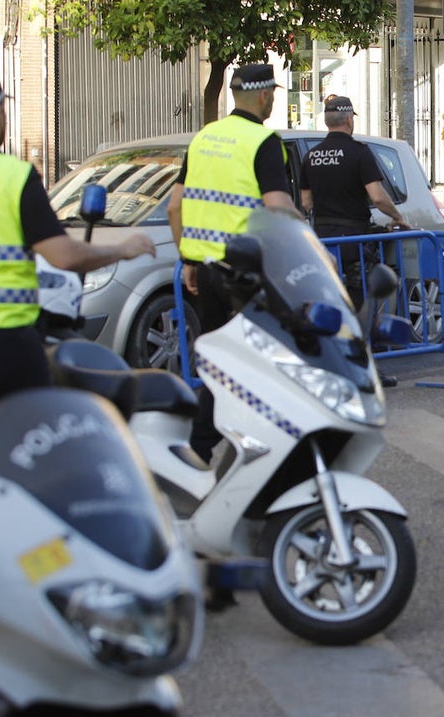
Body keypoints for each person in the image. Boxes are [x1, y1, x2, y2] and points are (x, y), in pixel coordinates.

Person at [0, 71, 156, 519]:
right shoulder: (12, 176)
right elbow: (61, 255)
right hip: (3, 345)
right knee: (33, 461)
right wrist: (121, 248)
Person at [167, 62, 300, 460]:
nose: (273, 99)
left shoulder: (204, 138)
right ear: (264, 96)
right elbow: (277, 208)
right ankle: (262, 447)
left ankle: (202, 445)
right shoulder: (263, 142)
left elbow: (176, 207)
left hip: (207, 272)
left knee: (218, 359)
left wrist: (189, 258)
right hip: (251, 276)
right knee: (264, 360)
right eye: (273, 93)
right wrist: (305, 237)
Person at [300, 94, 407, 387]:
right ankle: (362, 370)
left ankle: (329, 368)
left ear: (327, 120)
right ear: (349, 119)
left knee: (329, 305)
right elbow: (377, 196)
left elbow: (306, 202)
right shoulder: (359, 153)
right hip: (354, 241)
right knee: (361, 308)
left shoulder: (312, 155)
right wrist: (398, 217)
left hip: (323, 242)